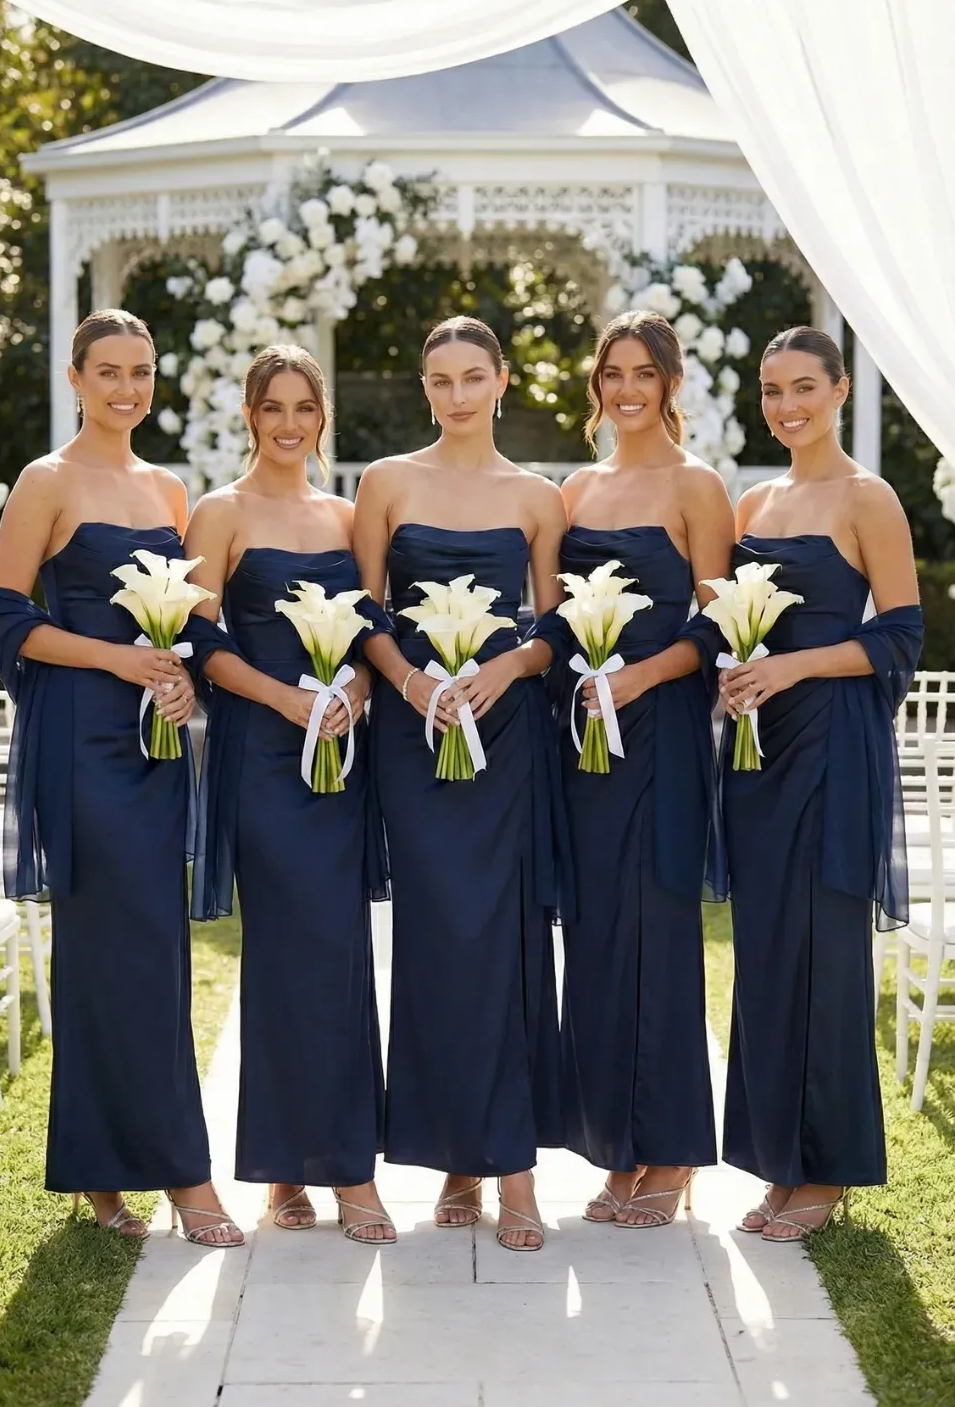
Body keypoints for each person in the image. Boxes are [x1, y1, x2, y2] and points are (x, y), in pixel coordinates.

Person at [0, 308, 240, 1246]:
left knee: (155, 956)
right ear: (75, 379)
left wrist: (177, 682)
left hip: (153, 746)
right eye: (108, 373)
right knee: (104, 955)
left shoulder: (170, 490)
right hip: (82, 745)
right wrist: (119, 662)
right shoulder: (44, 481)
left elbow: (183, 628)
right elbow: (4, 622)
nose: (126, 389)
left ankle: (118, 1172)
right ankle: (178, 1180)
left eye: (141, 372)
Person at [353, 315, 569, 1251]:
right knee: (439, 942)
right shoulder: (385, 482)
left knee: (507, 938)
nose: (455, 395)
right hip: (417, 734)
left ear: (502, 381)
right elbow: (363, 609)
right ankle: (453, 1160)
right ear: (426, 388)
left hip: (508, 735)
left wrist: (507, 669)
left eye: (471, 377)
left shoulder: (538, 495)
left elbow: (555, 628)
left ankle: (512, 1169)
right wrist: (411, 682)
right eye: (439, 380)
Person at [183, 343, 394, 1245]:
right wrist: (286, 699)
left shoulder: (349, 518)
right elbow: (197, 638)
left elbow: (372, 638)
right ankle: (282, 1174)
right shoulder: (218, 513)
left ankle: (350, 1174)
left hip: (341, 763)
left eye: (304, 407)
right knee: (280, 956)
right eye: (273, 406)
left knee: (342, 957)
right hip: (262, 755)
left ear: (321, 417)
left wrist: (355, 693)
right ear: (249, 414)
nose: (289, 422)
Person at [718, 326, 922, 1240]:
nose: (787, 407)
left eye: (804, 387)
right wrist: (739, 666)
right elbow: (734, 623)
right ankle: (777, 1162)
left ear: (840, 390)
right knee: (766, 957)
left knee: (826, 958)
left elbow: (903, 640)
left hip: (835, 747)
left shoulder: (868, 497)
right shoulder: (752, 503)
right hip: (758, 751)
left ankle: (826, 1172)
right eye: (771, 392)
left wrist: (796, 670)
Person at [532, 311, 732, 1228]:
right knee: (602, 940)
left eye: (642, 373)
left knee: (659, 933)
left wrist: (641, 677)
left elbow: (719, 621)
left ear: (671, 382)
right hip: (586, 745)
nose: (626, 389)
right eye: (612, 373)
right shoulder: (575, 488)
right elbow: (558, 618)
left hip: (663, 735)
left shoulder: (698, 487)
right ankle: (617, 1150)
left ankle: (675, 1150)